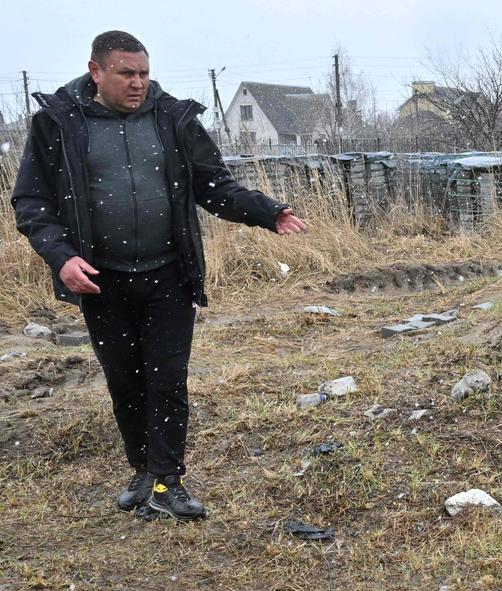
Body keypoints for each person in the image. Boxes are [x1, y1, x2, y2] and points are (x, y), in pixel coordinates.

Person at [11, 30, 307, 521]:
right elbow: (31, 202)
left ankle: (169, 482)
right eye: (126, 73)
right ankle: (142, 471)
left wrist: (267, 212)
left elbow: (214, 184)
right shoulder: (59, 123)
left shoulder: (173, 119)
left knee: (167, 379)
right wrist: (61, 257)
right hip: (100, 279)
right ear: (96, 72)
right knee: (125, 382)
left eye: (144, 73)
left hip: (168, 274)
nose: (138, 83)